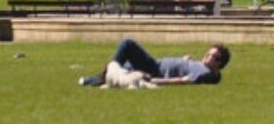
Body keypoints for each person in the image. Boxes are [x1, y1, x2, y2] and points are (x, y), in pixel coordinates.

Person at [79, 40, 229, 87]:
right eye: (208, 53)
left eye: (213, 57)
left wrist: (154, 80)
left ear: (219, 63)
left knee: (127, 45)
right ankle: (93, 80)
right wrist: (185, 61)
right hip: (154, 65)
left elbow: (182, 81)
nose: (207, 57)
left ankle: (97, 79)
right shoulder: (201, 67)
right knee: (121, 69)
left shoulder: (205, 73)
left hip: (153, 70)